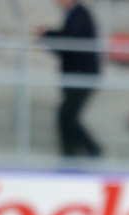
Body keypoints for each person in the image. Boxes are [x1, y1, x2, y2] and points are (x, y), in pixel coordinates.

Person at [39, 0, 102, 158]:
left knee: (66, 115)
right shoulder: (74, 14)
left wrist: (47, 35)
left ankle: (88, 151)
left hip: (83, 76)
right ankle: (76, 152)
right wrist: (47, 36)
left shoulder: (80, 14)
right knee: (67, 116)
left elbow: (69, 42)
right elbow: (66, 44)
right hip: (76, 75)